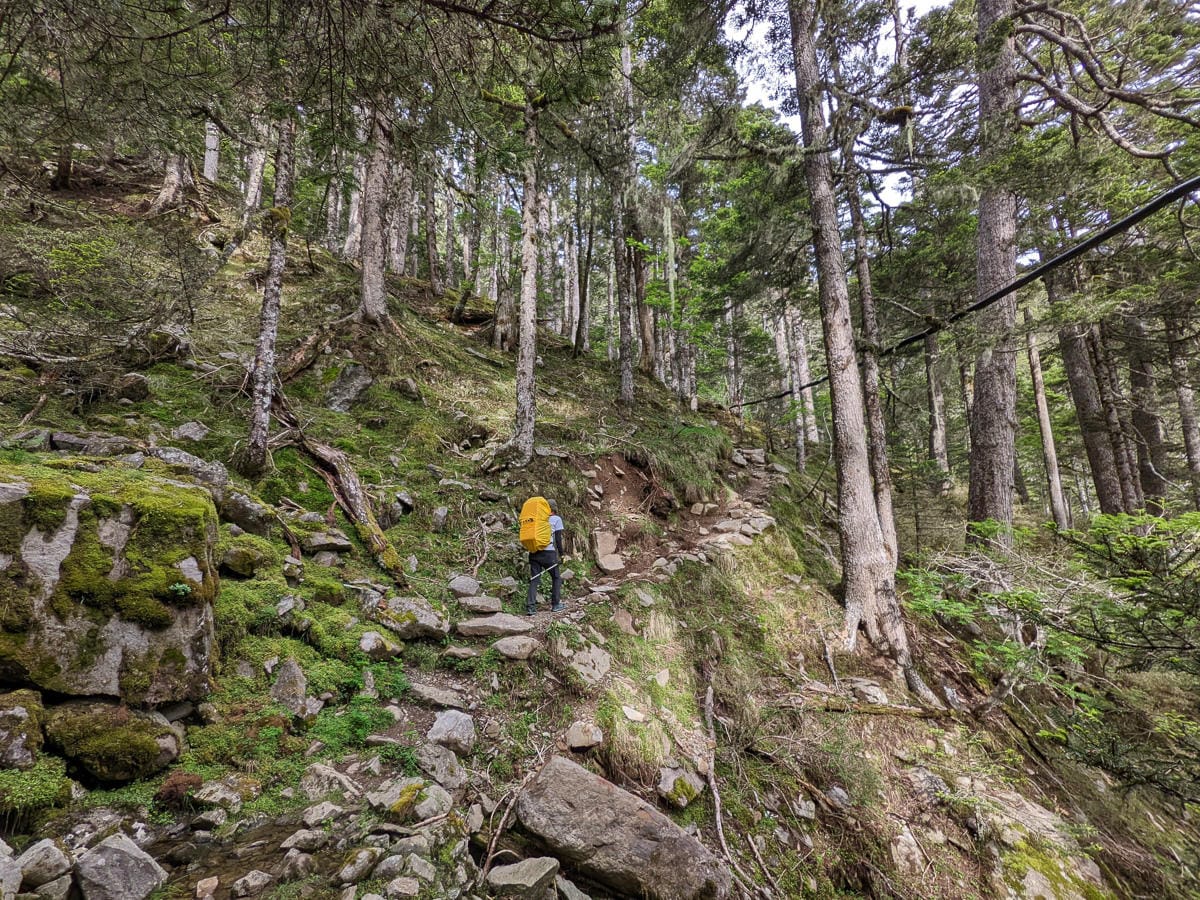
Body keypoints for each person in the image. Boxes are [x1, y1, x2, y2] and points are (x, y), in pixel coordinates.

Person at [527, 499, 565, 615]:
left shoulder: (535, 519)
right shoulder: (556, 519)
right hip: (549, 554)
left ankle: (530, 607)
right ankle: (555, 604)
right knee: (556, 577)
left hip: (534, 552)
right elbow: (558, 539)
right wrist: (562, 554)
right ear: (553, 509)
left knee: (535, 579)